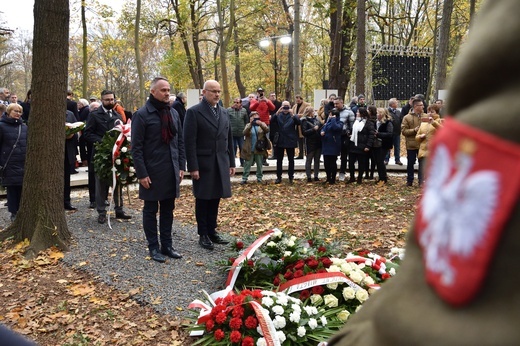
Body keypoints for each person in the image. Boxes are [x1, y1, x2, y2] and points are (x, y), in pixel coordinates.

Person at [131, 77, 186, 263]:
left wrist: (181, 167)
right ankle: (153, 247)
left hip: (171, 170)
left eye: (168, 90)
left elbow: (179, 142)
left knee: (168, 209)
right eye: (163, 90)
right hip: (152, 172)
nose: (167, 93)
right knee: (150, 210)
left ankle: (167, 245)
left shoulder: (173, 113)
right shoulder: (142, 114)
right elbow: (136, 148)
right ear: (153, 91)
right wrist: (142, 174)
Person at [184, 80, 235, 251]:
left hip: (221, 161)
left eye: (219, 91)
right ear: (204, 92)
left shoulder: (223, 112)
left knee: (216, 197)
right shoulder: (194, 112)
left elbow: (229, 139)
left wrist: (232, 162)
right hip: (203, 163)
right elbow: (189, 142)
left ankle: (212, 230)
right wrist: (193, 167)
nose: (217, 94)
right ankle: (203, 233)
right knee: (203, 198)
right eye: (213, 91)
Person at [84, 90, 133, 223]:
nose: (110, 102)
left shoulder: (117, 115)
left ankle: (119, 209)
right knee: (100, 184)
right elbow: (87, 134)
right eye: (107, 100)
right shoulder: (94, 116)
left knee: (118, 182)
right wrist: (104, 142)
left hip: (117, 154)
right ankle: (101, 212)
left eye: (112, 99)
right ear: (101, 100)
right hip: (101, 154)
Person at [0, 103, 28, 221]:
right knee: (12, 189)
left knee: (23, 188)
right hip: (9, 162)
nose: (17, 113)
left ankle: (22, 212)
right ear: (8, 112)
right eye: (15, 111)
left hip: (23, 162)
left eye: (19, 111)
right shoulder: (1, 126)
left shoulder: (25, 127)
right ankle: (13, 213)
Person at [272, 100, 301, 184]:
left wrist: (292, 114)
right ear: (281, 106)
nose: (285, 108)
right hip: (280, 139)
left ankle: (291, 176)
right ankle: (279, 177)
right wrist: (277, 112)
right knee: (279, 160)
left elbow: (298, 123)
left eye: (287, 106)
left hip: (290, 139)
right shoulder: (278, 115)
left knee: (291, 160)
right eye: (284, 106)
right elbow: (272, 121)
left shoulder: (292, 116)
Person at [415, 104, 443, 187]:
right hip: (423, 149)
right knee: (422, 167)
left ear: (436, 112)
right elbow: (417, 137)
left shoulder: (439, 121)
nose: (430, 113)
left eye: (432, 112)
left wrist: (433, 123)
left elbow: (443, 130)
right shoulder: (423, 123)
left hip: (433, 149)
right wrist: (420, 137)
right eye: (428, 111)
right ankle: (421, 182)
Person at [240, 112, 269, 184]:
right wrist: (250, 124)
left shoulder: (262, 124)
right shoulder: (248, 125)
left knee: (259, 164)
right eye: (253, 117)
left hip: (259, 148)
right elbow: (244, 133)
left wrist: (261, 124)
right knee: (247, 164)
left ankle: (259, 178)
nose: (254, 119)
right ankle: (244, 178)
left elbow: (267, 130)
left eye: (256, 117)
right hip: (249, 148)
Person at [347, 107, 375, 184]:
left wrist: (368, 146)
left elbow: (371, 135)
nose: (356, 113)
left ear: (362, 114)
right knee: (351, 163)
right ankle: (352, 177)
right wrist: (350, 134)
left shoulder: (369, 123)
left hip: (362, 146)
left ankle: (359, 178)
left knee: (361, 163)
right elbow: (353, 131)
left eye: (358, 112)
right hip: (353, 145)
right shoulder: (355, 122)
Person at [401, 97, 424, 187]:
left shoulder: (425, 116)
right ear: (415, 106)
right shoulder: (407, 117)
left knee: (422, 164)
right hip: (411, 144)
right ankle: (409, 180)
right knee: (410, 163)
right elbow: (404, 131)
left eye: (423, 105)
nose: (423, 107)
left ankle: (421, 181)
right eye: (421, 105)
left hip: (422, 144)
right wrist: (414, 130)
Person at [250, 88, 275, 166]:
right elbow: (251, 108)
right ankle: (253, 159)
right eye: (259, 92)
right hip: (256, 123)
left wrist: (266, 101)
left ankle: (264, 159)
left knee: (265, 141)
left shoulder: (267, 101)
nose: (260, 94)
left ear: (264, 93)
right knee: (254, 140)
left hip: (265, 124)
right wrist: (258, 101)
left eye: (262, 92)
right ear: (257, 93)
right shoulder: (254, 100)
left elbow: (273, 108)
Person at [320, 108, 343, 185]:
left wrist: (333, 119)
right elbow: (323, 128)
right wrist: (322, 132)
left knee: (332, 163)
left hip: (334, 145)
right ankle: (328, 177)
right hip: (326, 144)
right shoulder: (327, 123)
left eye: (330, 115)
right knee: (326, 163)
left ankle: (332, 179)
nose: (329, 116)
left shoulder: (339, 123)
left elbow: (335, 128)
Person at [335, 97, 355, 182]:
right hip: (335, 135)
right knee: (333, 155)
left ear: (342, 103)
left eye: (337, 104)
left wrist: (350, 133)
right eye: (334, 104)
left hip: (344, 135)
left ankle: (342, 172)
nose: (335, 105)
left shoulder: (349, 112)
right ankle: (332, 172)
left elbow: (352, 124)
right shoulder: (333, 111)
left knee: (344, 156)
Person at [372, 108, 394, 184]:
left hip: (384, 144)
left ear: (382, 114)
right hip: (376, 144)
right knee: (378, 161)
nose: (376, 114)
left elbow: (390, 134)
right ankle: (382, 177)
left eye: (378, 113)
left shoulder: (388, 123)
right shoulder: (376, 122)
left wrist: (378, 134)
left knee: (380, 161)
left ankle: (383, 178)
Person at [301, 106, 322, 182]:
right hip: (310, 143)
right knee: (309, 160)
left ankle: (316, 176)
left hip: (318, 142)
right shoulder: (304, 121)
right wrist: (313, 129)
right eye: (313, 111)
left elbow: (320, 126)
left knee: (317, 160)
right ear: (309, 112)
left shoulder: (316, 120)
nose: (314, 112)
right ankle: (309, 176)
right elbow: (304, 132)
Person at [227, 97, 249, 167]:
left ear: (240, 103)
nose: (235, 104)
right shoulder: (228, 110)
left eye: (237, 102)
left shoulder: (244, 110)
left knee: (242, 148)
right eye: (234, 102)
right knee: (233, 148)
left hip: (241, 133)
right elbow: (226, 121)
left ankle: (242, 163)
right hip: (232, 133)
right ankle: (232, 163)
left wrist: (246, 130)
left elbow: (246, 121)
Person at [64, 110, 78, 210]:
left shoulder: (70, 114)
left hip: (68, 151)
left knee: (66, 179)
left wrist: (71, 135)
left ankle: (66, 201)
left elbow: (76, 130)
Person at [292, 95, 311, 159]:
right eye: (296, 99)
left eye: (299, 99)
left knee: (306, 140)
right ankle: (301, 154)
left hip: (305, 124)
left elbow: (308, 112)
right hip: (297, 125)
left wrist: (299, 115)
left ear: (302, 99)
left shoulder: (307, 105)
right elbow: (292, 113)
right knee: (299, 140)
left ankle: (308, 153)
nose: (298, 100)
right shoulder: (294, 106)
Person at [386, 97, 402, 165]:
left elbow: (400, 120)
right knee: (388, 146)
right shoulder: (387, 111)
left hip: (397, 132)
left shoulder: (398, 112)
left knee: (397, 147)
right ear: (392, 104)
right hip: (389, 133)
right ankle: (386, 159)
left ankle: (397, 159)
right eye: (396, 102)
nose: (397, 103)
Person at [77, 98, 90, 167]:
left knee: (83, 145)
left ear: (83, 104)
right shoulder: (84, 110)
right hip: (84, 130)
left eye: (79, 103)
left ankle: (85, 160)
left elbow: (80, 119)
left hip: (84, 130)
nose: (77, 105)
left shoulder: (85, 110)